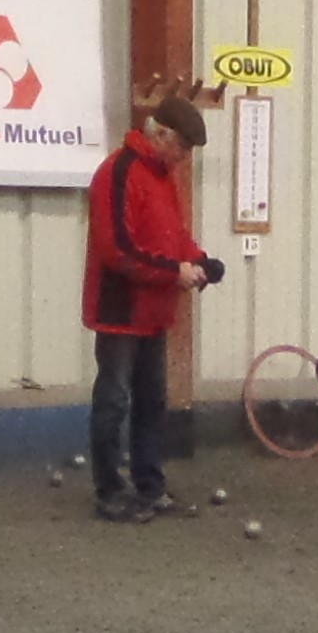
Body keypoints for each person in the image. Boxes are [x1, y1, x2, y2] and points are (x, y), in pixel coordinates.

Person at [81, 98, 223, 524]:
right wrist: (174, 272)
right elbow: (116, 250)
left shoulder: (162, 178)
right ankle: (110, 491)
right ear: (159, 134)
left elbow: (173, 236)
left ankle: (150, 486)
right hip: (120, 309)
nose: (183, 158)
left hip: (153, 311)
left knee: (150, 402)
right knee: (114, 400)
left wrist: (200, 261)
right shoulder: (117, 172)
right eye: (181, 147)